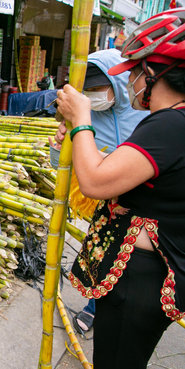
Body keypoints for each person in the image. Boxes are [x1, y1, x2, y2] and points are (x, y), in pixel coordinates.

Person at [54, 8, 185, 369]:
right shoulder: (180, 123)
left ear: (155, 72)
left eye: (135, 70)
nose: (130, 79)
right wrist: (79, 138)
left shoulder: (169, 126)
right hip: (149, 274)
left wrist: (82, 121)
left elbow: (97, 183)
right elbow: (122, 179)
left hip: (141, 278)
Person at [50, 50, 149, 333]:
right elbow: (62, 165)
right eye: (87, 91)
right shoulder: (83, 116)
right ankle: (94, 308)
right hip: (102, 204)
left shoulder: (144, 112)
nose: (93, 96)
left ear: (117, 84)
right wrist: (59, 146)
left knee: (135, 264)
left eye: (97, 89)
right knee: (103, 258)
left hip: (141, 204)